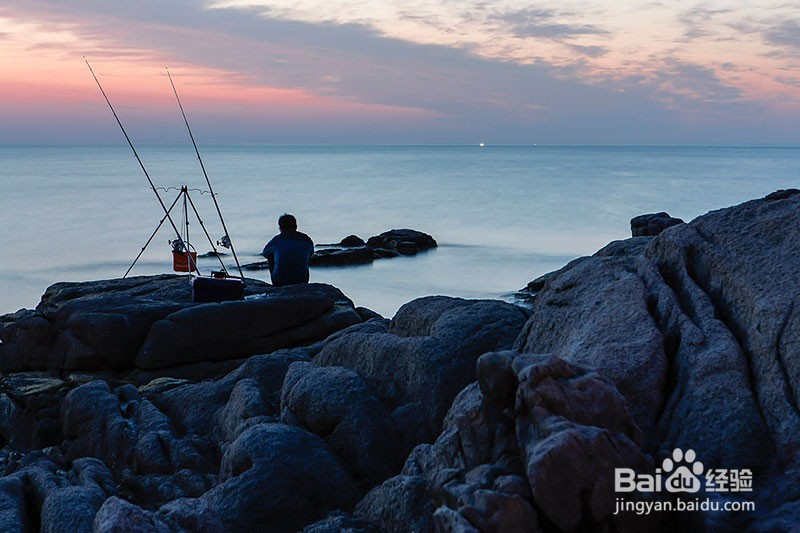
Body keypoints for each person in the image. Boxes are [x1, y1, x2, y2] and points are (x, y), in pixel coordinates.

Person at [261, 213, 314, 286]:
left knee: (271, 256)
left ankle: (277, 281)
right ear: (296, 226)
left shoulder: (276, 240)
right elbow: (311, 252)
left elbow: (265, 253)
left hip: (280, 281)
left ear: (280, 228)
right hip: (302, 279)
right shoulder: (306, 239)